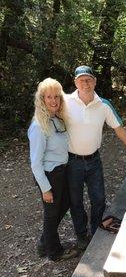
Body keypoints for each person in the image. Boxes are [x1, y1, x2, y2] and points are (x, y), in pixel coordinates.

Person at [66, 65, 126, 250]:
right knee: (75, 201)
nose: (85, 83)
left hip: (94, 161)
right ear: (75, 82)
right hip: (71, 161)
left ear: (95, 81)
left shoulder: (104, 104)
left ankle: (95, 232)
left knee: (99, 199)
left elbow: (119, 129)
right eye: (81, 80)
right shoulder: (65, 102)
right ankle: (81, 236)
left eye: (89, 79)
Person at [28, 78, 78, 261]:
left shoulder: (56, 119)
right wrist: (45, 188)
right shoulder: (39, 125)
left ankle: (44, 242)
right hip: (49, 175)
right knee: (51, 214)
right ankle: (54, 252)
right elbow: (35, 162)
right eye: (49, 97)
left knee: (63, 204)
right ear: (42, 99)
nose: (53, 100)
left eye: (57, 96)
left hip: (60, 171)